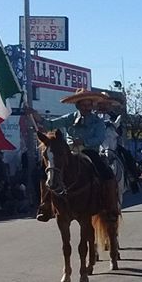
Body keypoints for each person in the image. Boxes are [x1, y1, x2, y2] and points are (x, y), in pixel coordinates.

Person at [26, 89, 116, 222]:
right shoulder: (70, 117)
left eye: (88, 105)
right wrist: (36, 116)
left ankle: (110, 205)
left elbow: (99, 138)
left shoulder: (97, 122)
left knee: (106, 172)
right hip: (69, 152)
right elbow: (50, 124)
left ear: (92, 106)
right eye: (83, 105)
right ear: (78, 105)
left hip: (89, 151)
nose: (86, 108)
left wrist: (84, 141)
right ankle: (45, 205)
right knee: (46, 170)